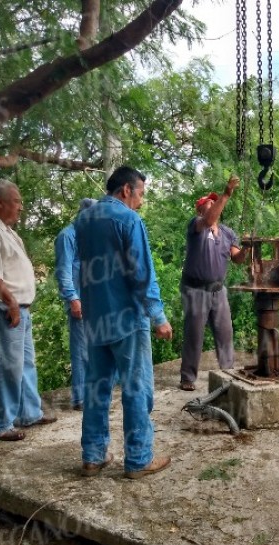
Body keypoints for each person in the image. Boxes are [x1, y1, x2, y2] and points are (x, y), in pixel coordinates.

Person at [75, 166, 173, 479]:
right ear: (126, 190)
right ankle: (139, 459)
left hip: (95, 318)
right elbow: (142, 273)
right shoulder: (129, 220)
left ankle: (92, 456)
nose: (141, 201)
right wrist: (158, 316)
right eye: (141, 193)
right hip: (128, 320)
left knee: (96, 389)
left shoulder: (83, 220)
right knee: (136, 389)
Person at [0, 180, 57, 441]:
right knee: (7, 366)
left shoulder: (4, 229)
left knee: (24, 363)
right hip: (1, 307)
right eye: (17, 201)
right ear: (0, 202)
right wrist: (11, 303)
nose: (21, 207)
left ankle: (29, 412)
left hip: (15, 307)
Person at [179, 174, 247, 391]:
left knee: (225, 333)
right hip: (196, 290)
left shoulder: (227, 232)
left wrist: (248, 247)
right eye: (211, 202)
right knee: (194, 334)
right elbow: (208, 220)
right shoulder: (196, 225)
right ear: (201, 210)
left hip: (218, 290)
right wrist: (227, 194)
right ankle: (188, 378)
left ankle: (229, 373)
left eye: (216, 202)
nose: (215, 205)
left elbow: (237, 259)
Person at [54, 198, 96, 411]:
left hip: (95, 301)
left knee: (95, 349)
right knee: (80, 351)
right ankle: (80, 398)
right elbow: (63, 271)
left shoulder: (89, 237)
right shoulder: (67, 236)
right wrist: (73, 298)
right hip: (79, 301)